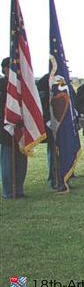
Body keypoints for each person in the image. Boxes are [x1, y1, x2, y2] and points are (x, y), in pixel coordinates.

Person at [0, 57, 28, 198]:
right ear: (6, 69)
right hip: (7, 129)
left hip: (22, 129)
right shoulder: (2, 84)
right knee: (8, 162)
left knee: (21, 161)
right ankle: (9, 191)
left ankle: (19, 189)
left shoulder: (23, 85)